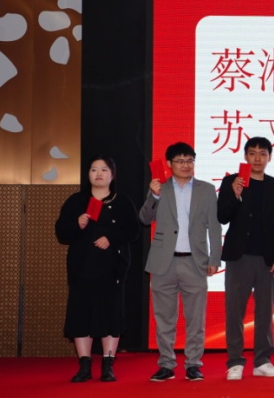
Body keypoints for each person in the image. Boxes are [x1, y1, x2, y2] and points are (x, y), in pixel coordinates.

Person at [138, 142, 222, 382]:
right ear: (169, 164)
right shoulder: (159, 188)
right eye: (180, 161)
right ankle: (166, 364)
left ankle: (194, 363)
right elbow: (144, 218)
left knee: (196, 318)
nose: (186, 165)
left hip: (195, 262)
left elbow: (214, 227)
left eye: (190, 161)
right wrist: (153, 195)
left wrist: (214, 258)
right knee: (164, 318)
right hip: (163, 262)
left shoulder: (207, 190)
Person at [56, 156, 139, 383]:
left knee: (111, 313)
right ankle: (84, 365)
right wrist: (77, 224)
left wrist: (111, 238)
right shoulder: (76, 201)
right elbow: (61, 232)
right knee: (80, 313)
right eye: (94, 169)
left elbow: (133, 231)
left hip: (112, 268)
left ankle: (108, 365)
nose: (99, 174)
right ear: (88, 174)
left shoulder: (122, 201)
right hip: (82, 266)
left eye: (104, 170)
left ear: (112, 175)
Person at [217, 137, 274, 380]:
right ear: (245, 156)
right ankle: (235, 362)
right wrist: (235, 195)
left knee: (265, 312)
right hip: (238, 257)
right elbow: (222, 216)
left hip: (267, 260)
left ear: (270, 157)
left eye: (262, 154)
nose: (257, 158)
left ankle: (263, 360)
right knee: (234, 311)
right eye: (252, 153)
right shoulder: (232, 181)